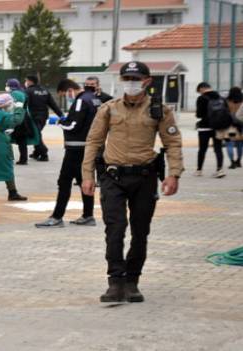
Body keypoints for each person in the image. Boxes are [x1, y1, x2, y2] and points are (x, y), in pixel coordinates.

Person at [82, 61, 183, 303]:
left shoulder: (159, 110)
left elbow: (173, 143)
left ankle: (132, 282)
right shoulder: (108, 109)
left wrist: (174, 173)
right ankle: (115, 281)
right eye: (126, 78)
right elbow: (93, 142)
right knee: (114, 230)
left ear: (147, 81)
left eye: (135, 78)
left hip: (144, 178)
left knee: (140, 231)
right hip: (113, 178)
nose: (130, 83)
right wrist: (87, 176)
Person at [35, 79, 98, 228]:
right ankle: (88, 215)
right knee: (85, 182)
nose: (66, 97)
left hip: (75, 149)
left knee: (64, 182)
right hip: (87, 147)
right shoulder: (93, 98)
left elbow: (74, 125)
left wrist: (60, 122)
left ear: (70, 89)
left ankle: (57, 217)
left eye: (64, 94)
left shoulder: (80, 101)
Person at [0, 94, 28, 202]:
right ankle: (12, 192)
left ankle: (12, 192)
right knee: (7, 166)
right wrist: (19, 109)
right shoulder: (1, 114)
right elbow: (16, 120)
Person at [25, 75, 64, 162]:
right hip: (43, 116)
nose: (26, 83)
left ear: (30, 81)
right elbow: (53, 104)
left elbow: (25, 104)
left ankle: (43, 153)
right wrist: (61, 115)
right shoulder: (44, 91)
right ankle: (37, 152)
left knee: (35, 134)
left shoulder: (28, 91)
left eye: (26, 81)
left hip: (34, 116)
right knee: (37, 133)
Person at [195, 82, 225, 178]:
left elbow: (199, 114)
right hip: (218, 127)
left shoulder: (201, 98)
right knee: (218, 148)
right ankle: (219, 169)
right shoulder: (221, 98)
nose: (200, 93)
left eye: (199, 91)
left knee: (202, 149)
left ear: (202, 89)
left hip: (204, 127)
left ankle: (199, 170)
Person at [6, 79, 30, 165]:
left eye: (7, 85)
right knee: (22, 140)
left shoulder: (16, 94)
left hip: (18, 118)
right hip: (24, 117)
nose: (6, 87)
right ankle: (23, 158)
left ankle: (12, 158)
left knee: (8, 138)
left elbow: (16, 107)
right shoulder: (22, 92)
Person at [219, 86, 243, 169]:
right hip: (241, 125)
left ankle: (232, 162)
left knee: (229, 144)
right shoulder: (242, 101)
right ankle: (239, 161)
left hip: (230, 125)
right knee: (240, 144)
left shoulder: (227, 101)